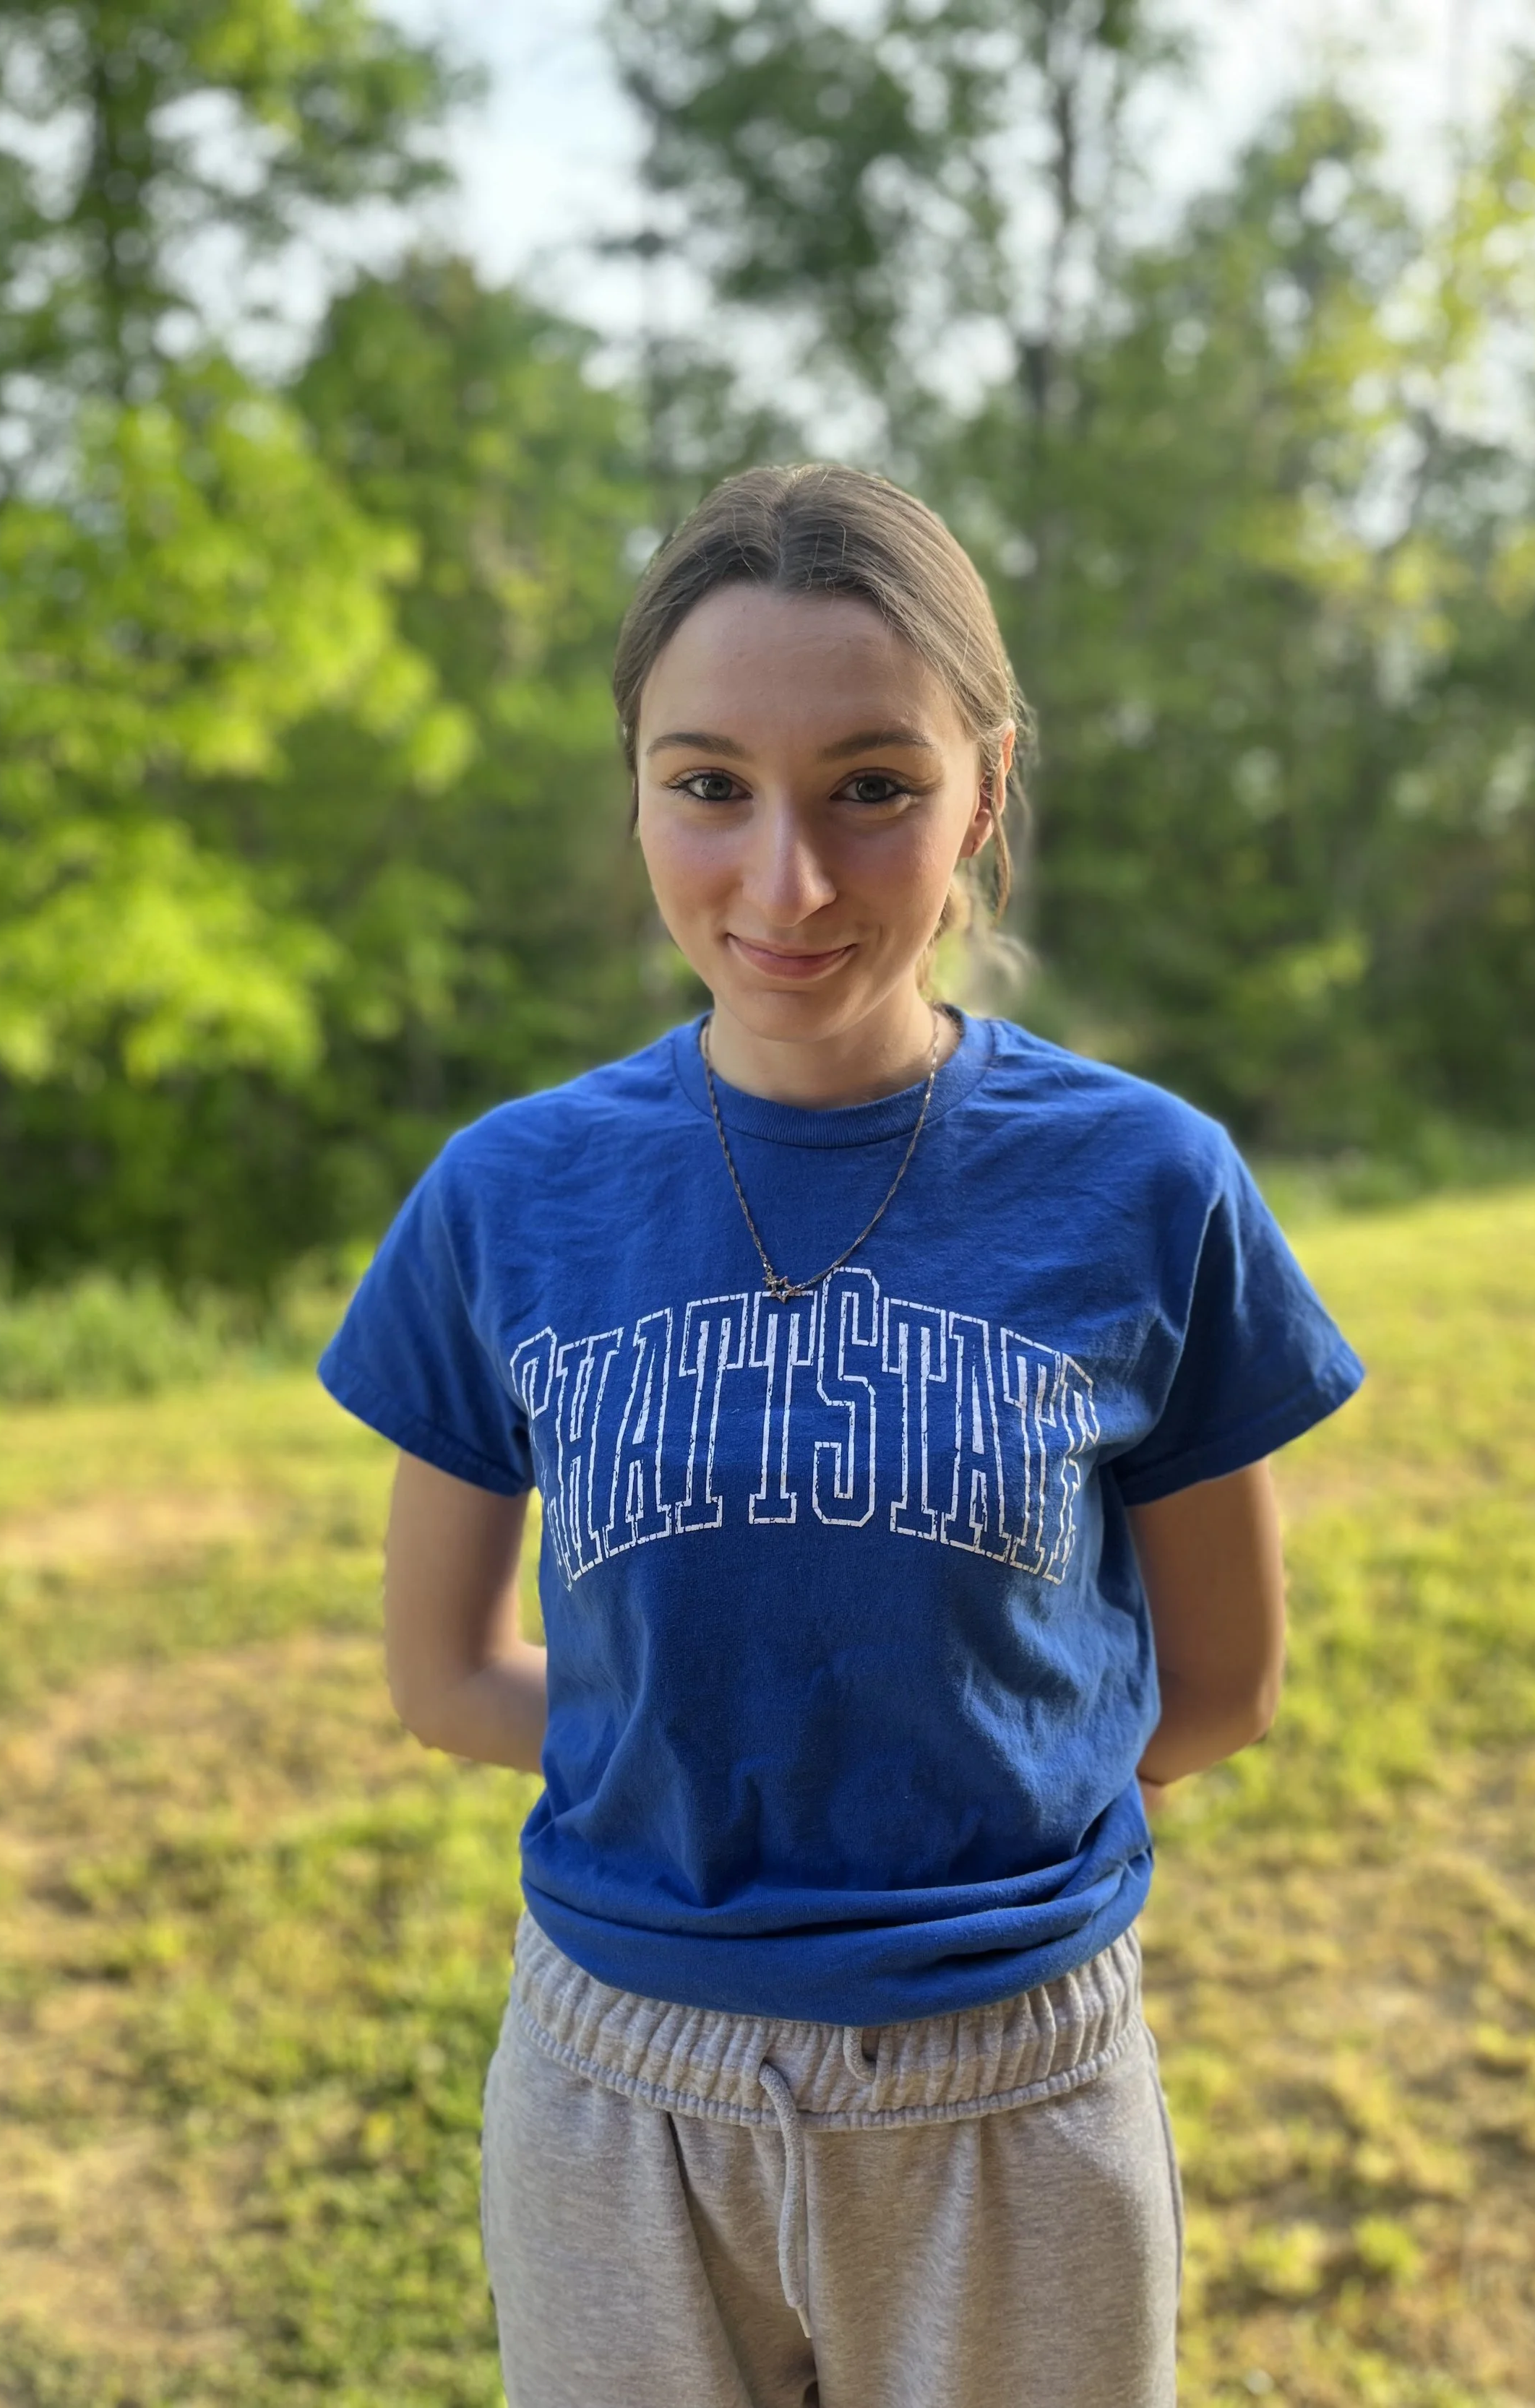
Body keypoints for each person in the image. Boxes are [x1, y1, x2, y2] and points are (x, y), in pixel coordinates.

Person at [317, 462, 1364, 2408]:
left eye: (871, 784)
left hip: (1013, 2084)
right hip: (613, 2089)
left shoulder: (1150, 1181)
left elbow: (1219, 1686)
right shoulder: (505, 1193)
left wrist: (931, 1813)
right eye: (707, 783)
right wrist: (719, 1750)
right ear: (635, 781)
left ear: (986, 781)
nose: (782, 881)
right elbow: (443, 1669)